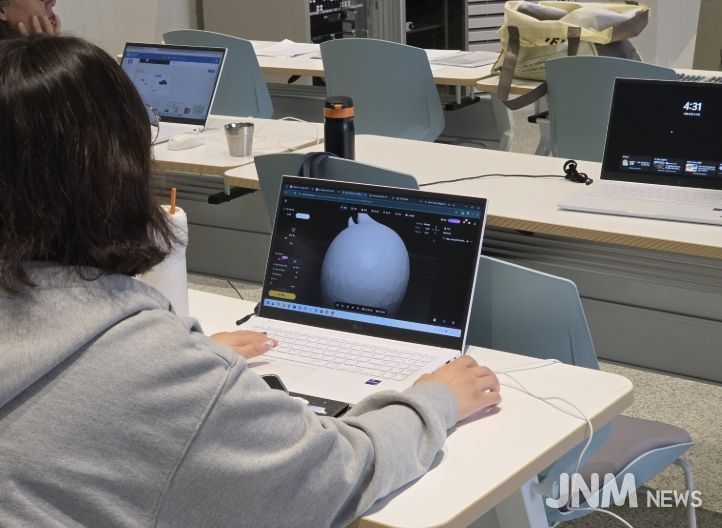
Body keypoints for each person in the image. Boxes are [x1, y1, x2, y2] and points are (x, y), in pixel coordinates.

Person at [0, 36, 501, 527]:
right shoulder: (163, 375)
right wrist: (435, 401)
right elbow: (340, 473)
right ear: (119, 170)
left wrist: (181, 362)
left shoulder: (148, 364)